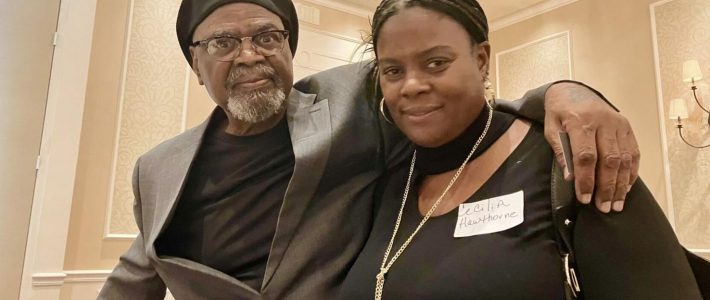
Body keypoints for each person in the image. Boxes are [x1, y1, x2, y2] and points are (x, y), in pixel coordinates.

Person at [98, 0, 643, 299]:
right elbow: (135, 279)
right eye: (221, 43)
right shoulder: (158, 167)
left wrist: (563, 92)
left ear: (289, 49)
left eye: (267, 36)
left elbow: (448, 92)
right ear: (195, 65)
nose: (248, 55)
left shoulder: (352, 98)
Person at [339, 0, 703, 299]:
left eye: (436, 62)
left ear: (481, 59)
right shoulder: (387, 177)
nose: (412, 85)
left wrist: (563, 91)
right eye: (393, 71)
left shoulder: (569, 161)